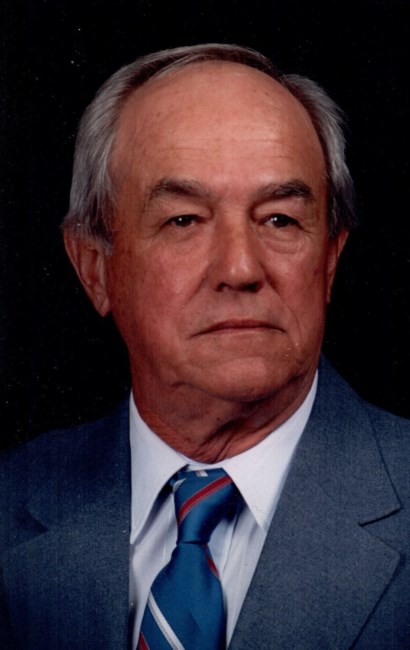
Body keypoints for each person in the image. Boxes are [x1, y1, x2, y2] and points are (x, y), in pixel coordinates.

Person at [1, 43, 409, 650]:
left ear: (329, 261)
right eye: (184, 221)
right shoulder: (12, 501)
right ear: (94, 267)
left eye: (279, 219)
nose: (241, 268)